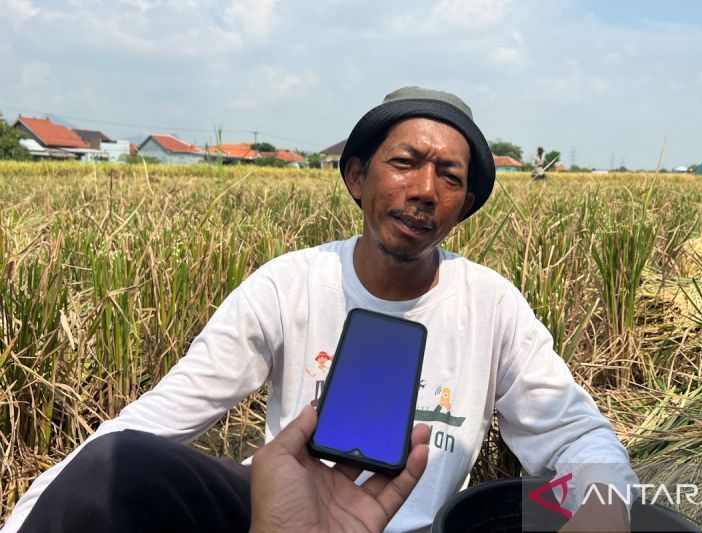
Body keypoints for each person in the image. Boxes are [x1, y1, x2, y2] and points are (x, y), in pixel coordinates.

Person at [3, 87, 635, 533]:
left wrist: (605, 506)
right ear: (358, 177)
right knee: (123, 466)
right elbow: (153, 422)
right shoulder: (289, 285)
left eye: (448, 175)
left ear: (463, 203)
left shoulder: (491, 304)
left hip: (407, 526)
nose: (423, 190)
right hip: (277, 517)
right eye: (405, 163)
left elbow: (577, 434)